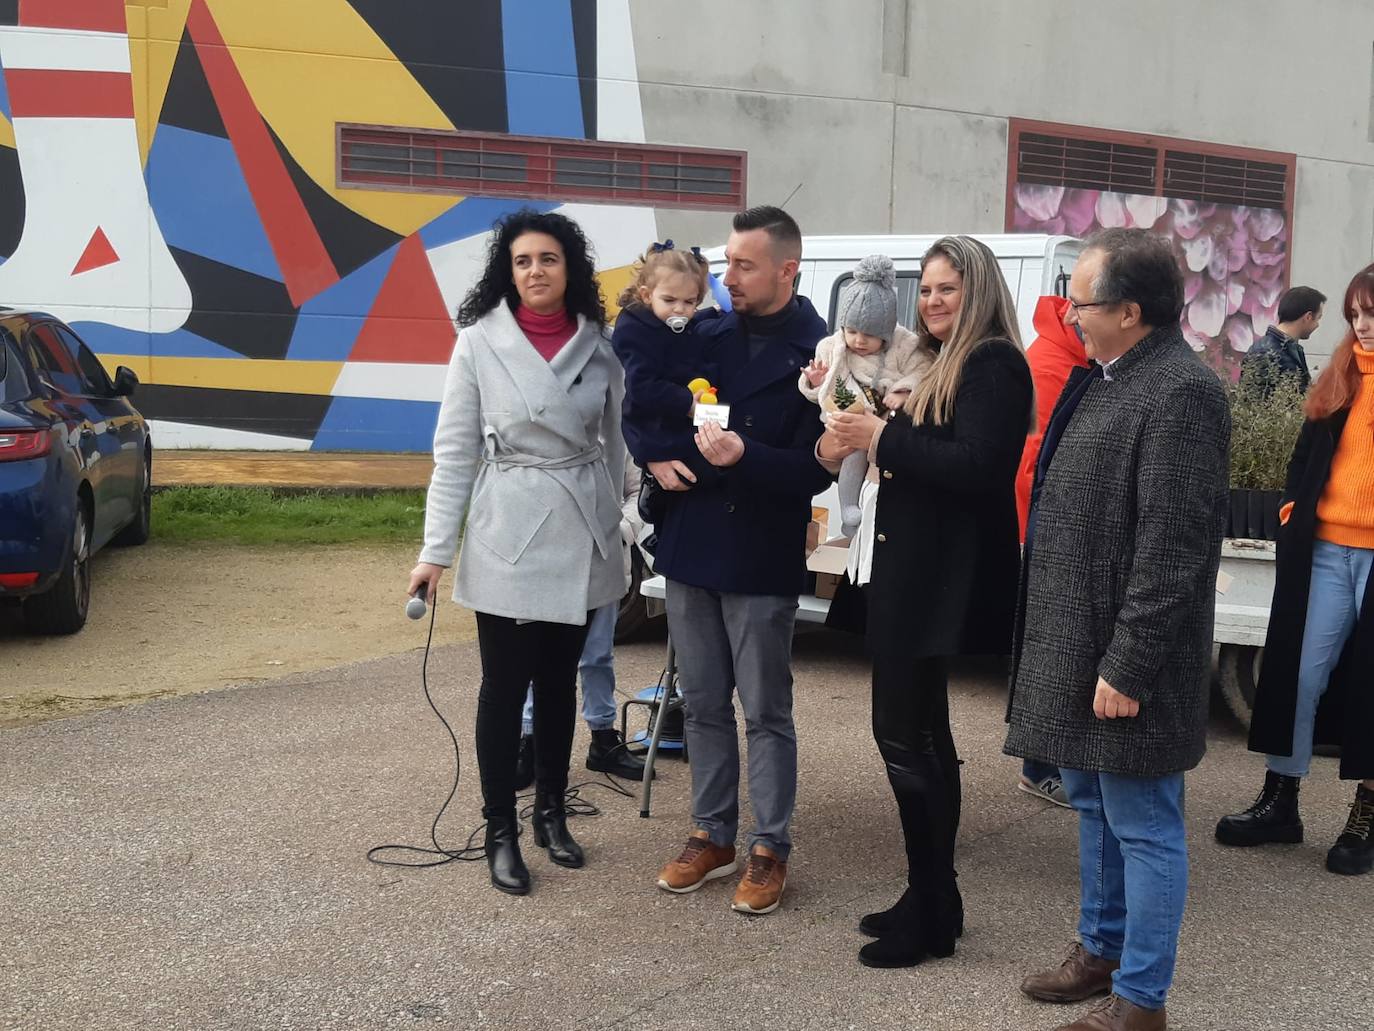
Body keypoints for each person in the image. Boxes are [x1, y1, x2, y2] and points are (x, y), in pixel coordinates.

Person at [1005, 228, 1230, 1031]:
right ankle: (1100, 950)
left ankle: (1141, 1000)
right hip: (1083, 646)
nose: (1072, 313)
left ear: (1130, 310)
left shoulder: (1181, 392)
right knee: (1097, 809)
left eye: (1083, 301)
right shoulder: (1111, 377)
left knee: (1146, 826)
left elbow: (1173, 549)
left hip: (1129, 660)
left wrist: (1129, 665)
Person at [820, 236, 1033, 968]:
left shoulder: (993, 362)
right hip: (911, 568)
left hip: (938, 576)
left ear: (980, 292)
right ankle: (932, 896)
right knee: (921, 736)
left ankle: (935, 911)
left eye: (950, 288)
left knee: (906, 738)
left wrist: (882, 434)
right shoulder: (938, 360)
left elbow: (980, 466)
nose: (934, 300)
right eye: (929, 289)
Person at [407, 209, 626, 898]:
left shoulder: (600, 345)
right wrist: (434, 551)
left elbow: (617, 447)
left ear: (570, 269)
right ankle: (499, 826)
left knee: (560, 683)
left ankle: (551, 813)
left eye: (548, 259)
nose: (536, 271)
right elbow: (453, 454)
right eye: (523, 260)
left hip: (582, 530)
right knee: (504, 689)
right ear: (508, 270)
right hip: (508, 530)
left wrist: (624, 523)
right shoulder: (479, 342)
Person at [633, 206, 833, 916]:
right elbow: (645, 395)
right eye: (726, 263)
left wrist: (746, 455)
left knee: (767, 710)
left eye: (744, 265)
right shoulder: (706, 332)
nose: (728, 277)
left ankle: (769, 845)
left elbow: (817, 469)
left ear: (787, 269)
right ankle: (712, 834)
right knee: (703, 702)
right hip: (692, 542)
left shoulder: (821, 353)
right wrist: (650, 457)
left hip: (760, 548)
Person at [1215, 263, 1374, 877]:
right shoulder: (1340, 376)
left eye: (1371, 313)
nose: (1361, 325)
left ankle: (1365, 814)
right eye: (1354, 314)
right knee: (1299, 677)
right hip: (1328, 551)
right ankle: (1281, 801)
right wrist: (1290, 512)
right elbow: (1304, 459)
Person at [515, 455, 650, 788]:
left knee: (598, 656)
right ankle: (530, 740)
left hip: (601, 561)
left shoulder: (618, 437)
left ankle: (603, 739)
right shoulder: (546, 436)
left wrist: (620, 531)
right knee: (537, 658)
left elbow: (638, 492)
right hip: (546, 560)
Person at [1012, 294, 1091, 809]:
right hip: (1044, 532)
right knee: (1048, 654)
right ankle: (1040, 768)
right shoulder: (1050, 364)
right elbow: (1030, 463)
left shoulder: (1073, 357)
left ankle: (1050, 763)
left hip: (1054, 528)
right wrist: (1033, 537)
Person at [800, 254, 934, 538]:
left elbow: (922, 372)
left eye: (870, 335)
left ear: (886, 333)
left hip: (882, 421)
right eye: (852, 331)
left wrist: (903, 390)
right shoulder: (832, 347)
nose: (859, 341)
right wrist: (815, 381)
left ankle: (859, 512)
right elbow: (820, 392)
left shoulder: (905, 347)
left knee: (871, 455)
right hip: (844, 410)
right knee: (853, 452)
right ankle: (848, 506)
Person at [1241, 285, 1326, 395]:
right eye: (1318, 318)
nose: (1317, 325)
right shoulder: (1265, 353)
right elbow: (1255, 400)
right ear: (1308, 317)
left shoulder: (1291, 349)